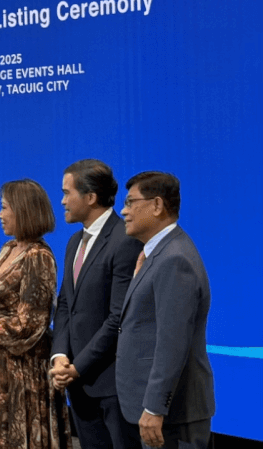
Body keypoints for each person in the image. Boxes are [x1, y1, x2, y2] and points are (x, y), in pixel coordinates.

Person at [0, 178, 71, 449]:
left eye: (4, 208)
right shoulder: (9, 248)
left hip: (27, 367)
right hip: (2, 362)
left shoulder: (38, 257)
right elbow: (1, 304)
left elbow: (30, 323)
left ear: (24, 211)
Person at [117, 172, 214, 449]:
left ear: (157, 206)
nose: (124, 211)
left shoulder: (174, 259)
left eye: (130, 202)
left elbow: (173, 343)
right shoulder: (158, 253)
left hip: (172, 415)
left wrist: (154, 407)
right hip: (159, 413)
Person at [49, 160, 142, 449]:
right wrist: (60, 355)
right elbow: (65, 304)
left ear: (90, 197)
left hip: (110, 385)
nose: (62, 201)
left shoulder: (123, 240)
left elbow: (118, 318)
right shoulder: (74, 242)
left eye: (67, 193)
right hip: (76, 384)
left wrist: (78, 367)